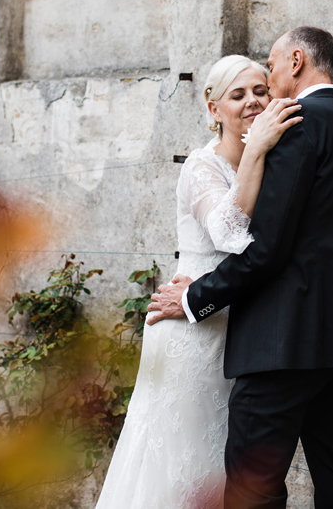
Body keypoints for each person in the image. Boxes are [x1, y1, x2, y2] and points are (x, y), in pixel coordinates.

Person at [148, 27, 333, 509]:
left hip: (280, 346)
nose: (267, 84)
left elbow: (265, 250)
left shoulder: (295, 128)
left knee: (252, 488)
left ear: (297, 61)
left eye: (271, 66)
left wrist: (194, 296)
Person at [94, 55, 303, 509]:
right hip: (189, 330)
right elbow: (229, 233)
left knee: (224, 466)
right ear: (214, 110)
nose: (252, 102)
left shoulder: (273, 159)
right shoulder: (200, 166)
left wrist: (260, 152)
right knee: (181, 466)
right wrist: (255, 150)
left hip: (240, 333)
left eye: (260, 91)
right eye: (237, 94)